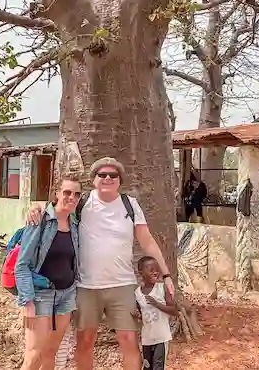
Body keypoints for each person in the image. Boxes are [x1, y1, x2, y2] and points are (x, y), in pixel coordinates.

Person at [26, 157, 175, 370]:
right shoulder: (83, 202)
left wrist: (167, 275)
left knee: (129, 341)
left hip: (122, 285)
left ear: (120, 180)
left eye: (113, 175)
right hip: (87, 286)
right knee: (85, 341)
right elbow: (58, 208)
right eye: (102, 174)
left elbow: (147, 241)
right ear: (94, 179)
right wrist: (37, 207)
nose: (107, 178)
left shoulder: (130, 204)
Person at [15, 174, 82, 370]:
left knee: (50, 352)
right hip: (40, 296)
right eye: (67, 192)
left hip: (66, 295)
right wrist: (27, 303)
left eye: (77, 194)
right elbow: (22, 265)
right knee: (34, 354)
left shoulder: (75, 225)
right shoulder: (40, 221)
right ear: (57, 194)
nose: (72, 197)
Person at [133, 256, 177, 370]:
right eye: (151, 270)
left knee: (158, 367)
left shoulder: (162, 288)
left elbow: (174, 311)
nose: (156, 272)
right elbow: (143, 315)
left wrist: (157, 304)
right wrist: (138, 316)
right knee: (147, 367)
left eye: (157, 269)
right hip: (147, 339)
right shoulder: (137, 293)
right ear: (141, 272)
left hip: (161, 338)